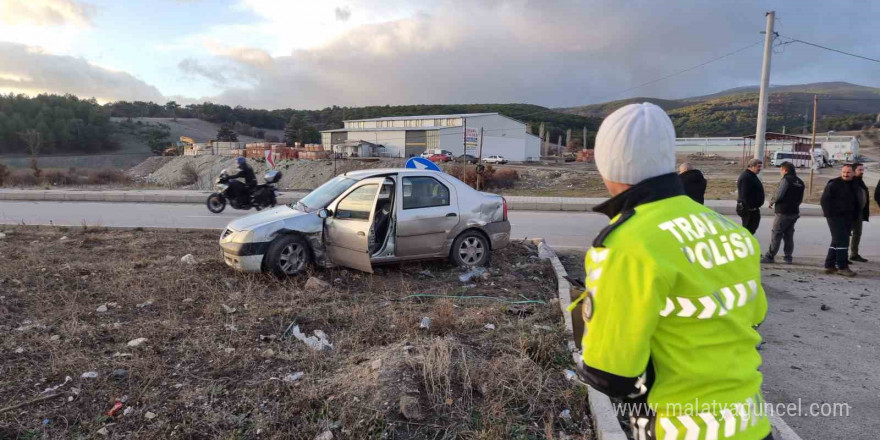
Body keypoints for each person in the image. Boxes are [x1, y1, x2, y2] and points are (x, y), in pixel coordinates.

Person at [571, 103, 772, 440]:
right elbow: (754, 316)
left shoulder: (626, 245)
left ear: (605, 165)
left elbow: (612, 374)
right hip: (752, 424)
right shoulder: (728, 231)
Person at [761, 162, 804, 264]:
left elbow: (779, 194)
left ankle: (770, 256)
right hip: (794, 212)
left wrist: (771, 201)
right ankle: (788, 257)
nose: (780, 172)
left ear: (785, 170)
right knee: (788, 235)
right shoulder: (800, 182)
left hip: (783, 211)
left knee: (776, 233)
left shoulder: (786, 180)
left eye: (781, 169)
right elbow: (800, 199)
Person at [820, 164, 858, 276]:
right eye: (844, 172)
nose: (845, 174)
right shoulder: (834, 184)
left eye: (848, 172)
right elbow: (824, 201)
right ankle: (842, 267)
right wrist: (830, 215)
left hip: (847, 218)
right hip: (835, 217)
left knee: (836, 241)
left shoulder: (854, 184)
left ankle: (829, 265)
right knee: (842, 241)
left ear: (853, 173)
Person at [737, 159, 765, 234]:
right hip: (749, 211)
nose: (760, 169)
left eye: (760, 167)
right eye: (758, 166)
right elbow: (744, 195)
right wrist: (749, 209)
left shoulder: (752, 176)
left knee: (751, 230)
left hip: (753, 210)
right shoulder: (746, 177)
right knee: (747, 232)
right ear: (752, 166)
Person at [850, 163, 869, 263]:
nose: (862, 172)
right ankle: (840, 256)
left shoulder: (860, 181)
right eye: (860, 170)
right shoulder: (851, 182)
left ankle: (854, 254)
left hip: (859, 213)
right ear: (854, 171)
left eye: (862, 170)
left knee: (857, 234)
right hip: (851, 214)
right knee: (844, 235)